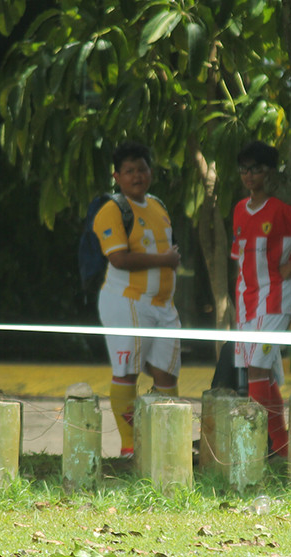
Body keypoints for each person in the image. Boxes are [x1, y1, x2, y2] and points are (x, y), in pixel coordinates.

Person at [231, 141, 291, 458]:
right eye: (244, 169)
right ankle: (280, 446)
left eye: (256, 169)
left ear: (270, 172)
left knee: (256, 371)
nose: (249, 175)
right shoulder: (239, 210)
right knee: (262, 373)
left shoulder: (282, 208)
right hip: (246, 302)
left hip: (274, 300)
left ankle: (259, 448)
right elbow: (239, 258)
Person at [94, 141, 181, 456]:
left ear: (151, 171)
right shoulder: (112, 211)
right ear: (116, 177)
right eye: (129, 171)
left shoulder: (158, 205)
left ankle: (165, 446)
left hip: (164, 306)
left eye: (141, 169)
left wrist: (168, 262)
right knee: (126, 372)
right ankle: (130, 448)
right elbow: (118, 259)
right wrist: (165, 261)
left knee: (166, 374)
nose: (137, 176)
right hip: (127, 301)